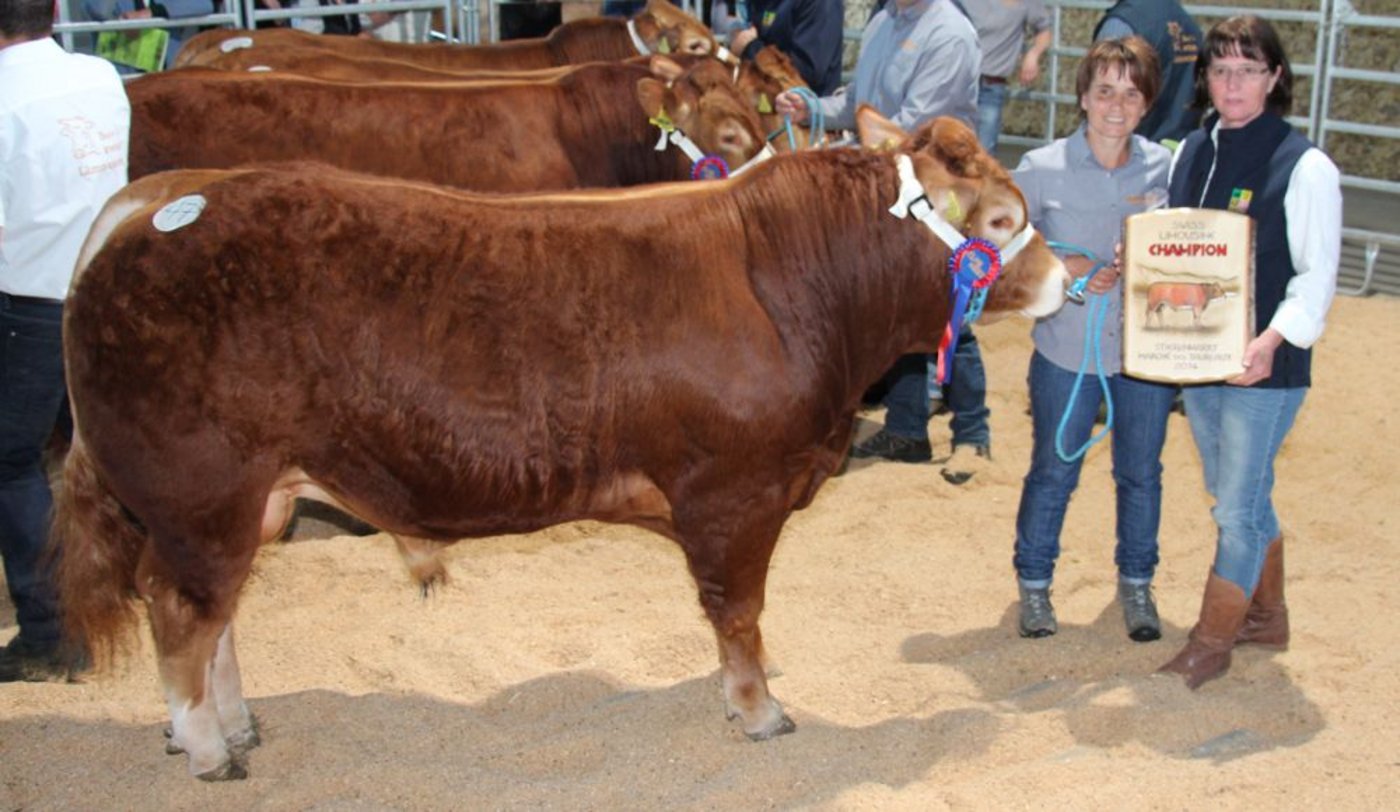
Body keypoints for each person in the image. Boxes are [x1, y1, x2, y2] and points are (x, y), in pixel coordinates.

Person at [1157, 15, 1340, 689]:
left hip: (1266, 368)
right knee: (1235, 491)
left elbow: (1316, 275)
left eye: (1248, 69)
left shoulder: (1305, 166)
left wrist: (1271, 340)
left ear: (1276, 78)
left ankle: (1213, 640)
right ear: (1205, 79)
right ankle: (1268, 615)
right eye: (1221, 69)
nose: (1233, 83)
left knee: (1235, 506)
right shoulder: (1190, 153)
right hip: (1197, 360)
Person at [775, 0, 990, 485]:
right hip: (887, 187)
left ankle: (973, 433)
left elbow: (914, 129)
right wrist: (812, 107)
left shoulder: (950, 34)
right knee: (896, 306)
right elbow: (857, 102)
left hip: (939, 191)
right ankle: (908, 427)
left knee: (944, 303)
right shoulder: (882, 22)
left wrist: (839, 157)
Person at [1008, 36, 1177, 640]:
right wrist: (1069, 266)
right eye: (1105, 90)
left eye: (1132, 94)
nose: (1116, 105)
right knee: (1054, 471)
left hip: (1144, 354)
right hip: (1065, 348)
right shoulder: (1039, 169)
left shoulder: (1166, 169)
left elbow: (1193, 247)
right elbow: (1007, 246)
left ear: (1146, 105)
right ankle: (1034, 585)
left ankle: (1136, 583)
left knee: (1140, 473)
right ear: (1083, 97)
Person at [0, 0, 131, 681]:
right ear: (54, 9)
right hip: (100, 287)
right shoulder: (100, 77)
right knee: (99, 445)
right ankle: (126, 583)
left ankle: (51, 631)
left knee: (10, 460)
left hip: (25, 300)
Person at [1094, 0, 1203, 145]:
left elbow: (1102, 97)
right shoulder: (1187, 24)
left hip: (1134, 153)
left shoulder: (1122, 24)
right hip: (1179, 148)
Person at [960, 0, 1051, 152]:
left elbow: (1044, 30)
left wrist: (1033, 55)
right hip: (960, 81)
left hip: (991, 85)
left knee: (985, 150)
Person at [727, 0, 844, 96]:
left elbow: (808, 70)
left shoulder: (820, 3)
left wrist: (749, 47)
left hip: (808, 112)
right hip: (767, 105)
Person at [83, 0, 215, 70]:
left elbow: (203, 4)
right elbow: (99, 10)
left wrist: (151, 12)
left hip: (166, 68)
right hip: (125, 73)